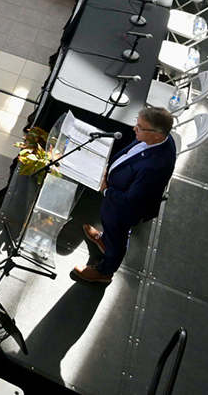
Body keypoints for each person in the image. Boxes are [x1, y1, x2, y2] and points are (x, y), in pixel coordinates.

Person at [74, 106, 177, 283]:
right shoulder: (155, 138)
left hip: (123, 209)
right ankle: (105, 240)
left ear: (158, 135)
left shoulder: (154, 168)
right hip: (114, 196)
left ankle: (104, 272)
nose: (134, 129)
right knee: (110, 227)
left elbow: (131, 200)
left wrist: (106, 190)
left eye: (139, 127)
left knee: (118, 238)